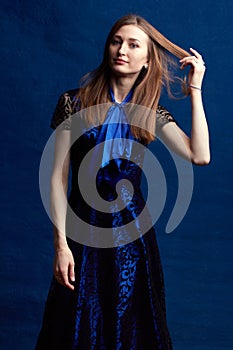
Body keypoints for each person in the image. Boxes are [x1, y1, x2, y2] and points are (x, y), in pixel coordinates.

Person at [35, 14, 210, 350]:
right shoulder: (74, 102)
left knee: (131, 328)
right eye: (117, 41)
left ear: (147, 61)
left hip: (133, 240)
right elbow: (56, 178)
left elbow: (199, 155)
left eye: (133, 45)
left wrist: (195, 88)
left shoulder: (149, 112)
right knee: (74, 326)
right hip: (82, 234)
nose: (122, 50)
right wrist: (60, 246)